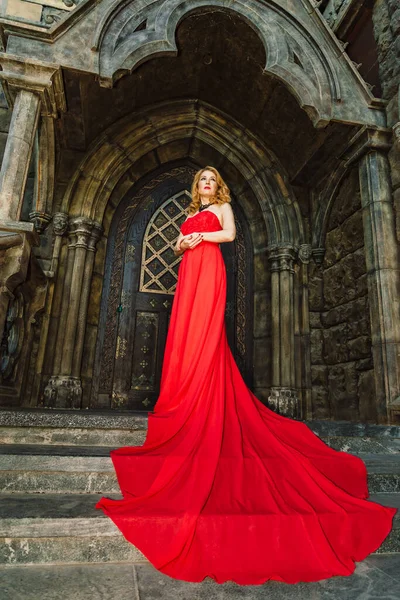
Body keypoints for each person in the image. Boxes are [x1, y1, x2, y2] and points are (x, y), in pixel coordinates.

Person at [96, 166, 397, 586]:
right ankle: (184, 397)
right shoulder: (190, 212)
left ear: (215, 186)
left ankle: (204, 395)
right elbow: (180, 245)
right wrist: (184, 241)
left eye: (209, 179)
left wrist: (200, 237)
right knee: (184, 336)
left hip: (210, 272)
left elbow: (230, 236)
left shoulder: (222, 207)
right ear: (195, 188)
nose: (205, 184)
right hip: (189, 273)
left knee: (205, 334)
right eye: (201, 180)